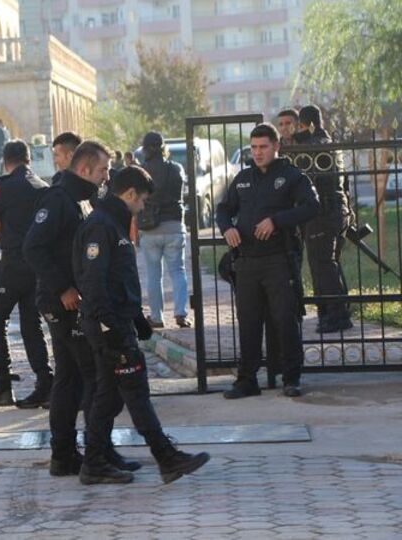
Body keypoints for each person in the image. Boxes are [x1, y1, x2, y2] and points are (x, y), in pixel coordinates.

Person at [75, 165, 210, 484]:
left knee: (109, 396)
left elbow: (120, 282)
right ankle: (165, 456)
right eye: (143, 200)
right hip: (109, 328)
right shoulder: (102, 225)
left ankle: (95, 460)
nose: (144, 207)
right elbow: (94, 284)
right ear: (130, 194)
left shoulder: (114, 223)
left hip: (117, 323)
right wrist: (113, 328)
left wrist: (138, 321)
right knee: (136, 391)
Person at [25, 138, 140, 476]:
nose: (107, 176)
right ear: (85, 169)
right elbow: (33, 247)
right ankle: (95, 456)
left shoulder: (84, 199)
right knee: (92, 377)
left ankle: (68, 455)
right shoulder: (59, 198)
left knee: (70, 377)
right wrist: (63, 288)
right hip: (62, 301)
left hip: (73, 299)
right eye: (103, 170)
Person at [217, 123, 320, 399]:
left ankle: (291, 378)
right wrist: (227, 228)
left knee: (285, 319)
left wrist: (276, 221)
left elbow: (312, 206)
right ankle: (247, 380)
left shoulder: (291, 176)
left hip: (278, 260)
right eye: (254, 147)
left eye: (263, 147)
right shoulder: (243, 178)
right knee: (248, 322)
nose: (258, 152)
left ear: (276, 146)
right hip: (247, 262)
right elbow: (223, 209)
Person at [0, 140, 52, 409]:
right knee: (32, 326)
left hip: (12, 265)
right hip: (37, 266)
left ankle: (3, 385)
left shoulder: (7, 186)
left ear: (6, 160)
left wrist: (3, 225)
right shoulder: (43, 187)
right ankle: (45, 383)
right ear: (29, 159)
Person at [295, 105, 353, 334]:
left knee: (322, 265)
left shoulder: (314, 146)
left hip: (323, 213)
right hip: (338, 210)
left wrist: (298, 143)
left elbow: (308, 178)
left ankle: (337, 315)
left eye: (299, 125)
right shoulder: (331, 143)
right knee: (328, 263)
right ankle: (329, 313)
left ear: (306, 124)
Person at [137, 132, 190, 329]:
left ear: (145, 149)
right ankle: (181, 313)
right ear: (163, 147)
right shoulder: (176, 169)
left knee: (153, 275)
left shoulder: (141, 171)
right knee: (178, 271)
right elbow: (181, 193)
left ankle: (157, 317)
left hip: (150, 228)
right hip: (175, 226)